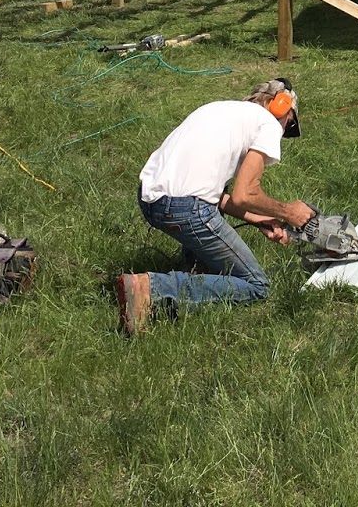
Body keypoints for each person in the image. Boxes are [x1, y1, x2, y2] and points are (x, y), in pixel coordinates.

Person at [117, 78, 316, 336]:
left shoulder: (217, 110)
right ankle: (152, 289)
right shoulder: (268, 122)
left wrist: (257, 219)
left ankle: (198, 270)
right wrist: (289, 212)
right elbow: (245, 193)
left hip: (151, 202)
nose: (284, 130)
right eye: (289, 123)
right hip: (185, 209)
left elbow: (213, 194)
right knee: (256, 285)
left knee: (208, 216)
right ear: (281, 107)